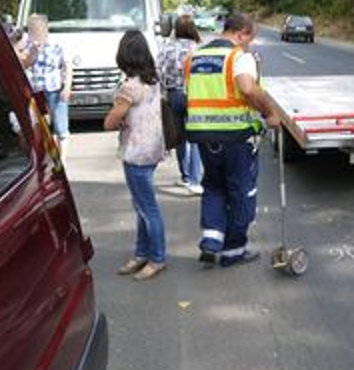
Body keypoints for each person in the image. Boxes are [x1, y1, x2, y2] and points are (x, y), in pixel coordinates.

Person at [185, 13, 281, 268]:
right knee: (241, 192)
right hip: (236, 136)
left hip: (203, 136)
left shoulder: (194, 57)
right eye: (250, 39)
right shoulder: (239, 57)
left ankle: (211, 241)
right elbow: (248, 88)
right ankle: (233, 252)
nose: (250, 45)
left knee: (214, 187)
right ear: (242, 33)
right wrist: (270, 113)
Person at [105, 30, 168, 281]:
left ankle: (157, 258)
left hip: (136, 153)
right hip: (153, 150)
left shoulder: (129, 88)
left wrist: (113, 117)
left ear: (123, 56)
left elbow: (110, 122)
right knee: (142, 206)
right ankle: (142, 253)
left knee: (147, 208)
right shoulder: (153, 81)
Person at [157, 14, 204, 195]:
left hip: (174, 94)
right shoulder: (198, 49)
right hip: (195, 96)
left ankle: (185, 176)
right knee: (197, 138)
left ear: (176, 28)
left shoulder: (166, 48)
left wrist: (163, 89)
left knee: (179, 137)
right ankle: (195, 180)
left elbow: (157, 70)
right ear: (193, 29)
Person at [27, 14, 72, 164]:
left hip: (55, 89)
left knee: (60, 126)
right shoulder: (28, 44)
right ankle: (52, 158)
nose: (35, 32)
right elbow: (26, 64)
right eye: (32, 29)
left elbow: (67, 66)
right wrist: (33, 52)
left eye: (37, 28)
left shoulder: (58, 43)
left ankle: (62, 161)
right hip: (37, 90)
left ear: (45, 28)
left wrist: (67, 87)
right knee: (43, 127)